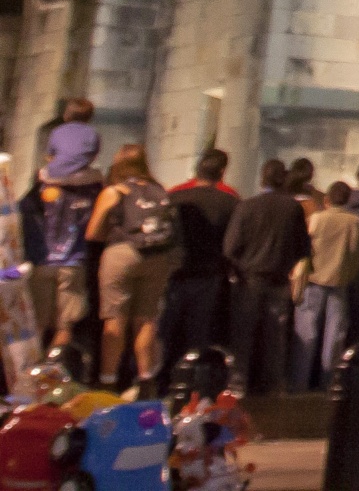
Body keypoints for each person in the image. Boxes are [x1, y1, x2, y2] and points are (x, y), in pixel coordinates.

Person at [86, 144, 178, 394]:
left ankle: (108, 380)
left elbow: (93, 232)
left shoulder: (115, 191)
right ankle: (146, 379)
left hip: (121, 254)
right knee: (145, 319)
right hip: (157, 257)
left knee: (115, 320)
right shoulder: (159, 190)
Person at [222, 159, 311, 394]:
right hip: (279, 279)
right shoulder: (292, 208)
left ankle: (238, 382)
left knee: (243, 334)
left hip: (248, 279)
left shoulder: (246, 206)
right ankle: (272, 384)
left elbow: (230, 247)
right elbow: (303, 247)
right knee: (275, 337)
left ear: (262, 178)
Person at [24, 129, 103, 354]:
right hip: (74, 261)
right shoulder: (94, 189)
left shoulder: (40, 187)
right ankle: (54, 370)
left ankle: (31, 372)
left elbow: (25, 215)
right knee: (65, 324)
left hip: (41, 261)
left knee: (37, 323)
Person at [165, 150, 238, 371]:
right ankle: (193, 376)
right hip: (210, 272)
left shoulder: (175, 197)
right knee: (199, 329)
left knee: (168, 326)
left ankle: (164, 374)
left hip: (175, 270)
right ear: (222, 172)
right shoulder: (230, 201)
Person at [296, 182, 359, 388]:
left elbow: (305, 248)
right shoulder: (356, 222)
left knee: (307, 333)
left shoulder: (316, 219)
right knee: (334, 335)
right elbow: (357, 254)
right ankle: (328, 381)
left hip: (314, 280)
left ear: (327, 199)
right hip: (340, 282)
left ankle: (299, 381)